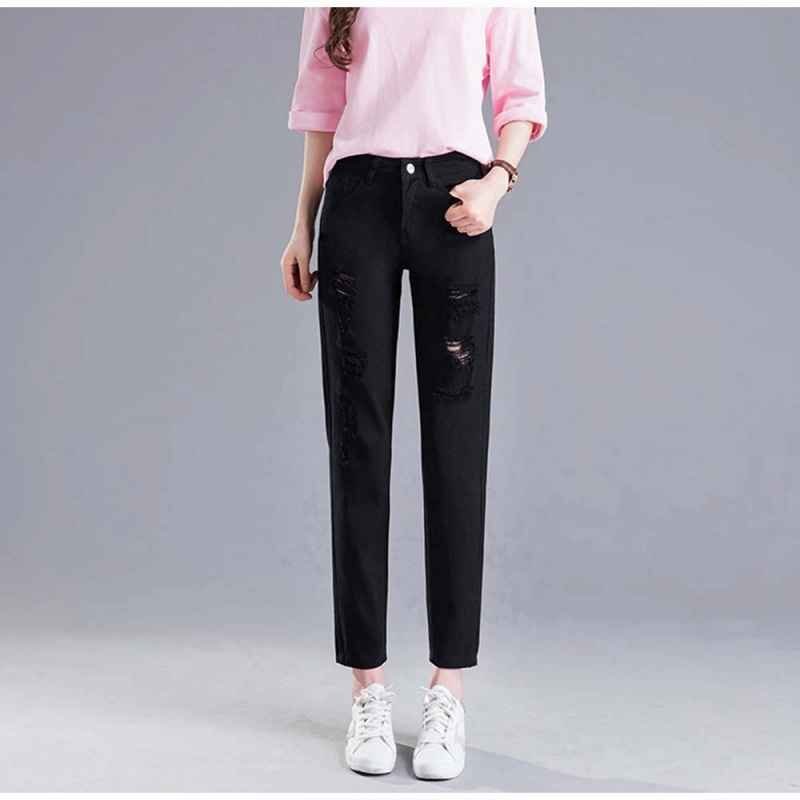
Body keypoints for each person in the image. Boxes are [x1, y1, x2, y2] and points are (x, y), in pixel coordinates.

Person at [281, 7, 547, 780]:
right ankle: (367, 687)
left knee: (457, 447)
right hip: (357, 200)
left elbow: (522, 96)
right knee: (356, 440)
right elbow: (321, 110)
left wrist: (496, 184)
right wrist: (302, 223)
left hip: (455, 199)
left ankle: (447, 689)